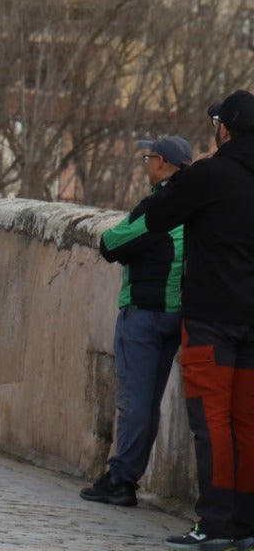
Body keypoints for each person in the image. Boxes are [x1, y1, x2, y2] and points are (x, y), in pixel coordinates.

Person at [143, 93, 254, 551]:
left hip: (211, 318)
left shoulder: (212, 174)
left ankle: (215, 523)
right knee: (247, 425)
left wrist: (191, 173)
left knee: (212, 423)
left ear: (223, 129)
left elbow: (156, 217)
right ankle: (247, 525)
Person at [80, 136, 191, 506]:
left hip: (145, 312)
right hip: (179, 314)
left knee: (136, 401)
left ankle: (122, 479)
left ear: (160, 162)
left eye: (147, 158)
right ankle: (128, 474)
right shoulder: (197, 203)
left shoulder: (160, 205)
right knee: (150, 400)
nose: (145, 164)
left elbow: (111, 244)